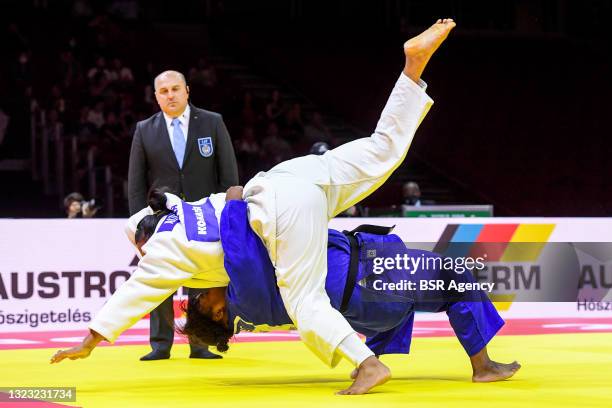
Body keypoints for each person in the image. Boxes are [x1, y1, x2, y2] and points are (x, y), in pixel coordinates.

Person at [51, 20, 457, 394]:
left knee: (304, 300)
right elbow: (230, 196)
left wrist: (90, 341)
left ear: (143, 243)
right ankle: (412, 70)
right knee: (380, 151)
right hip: (287, 177)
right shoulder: (184, 207)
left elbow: (133, 295)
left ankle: (367, 363)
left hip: (282, 210)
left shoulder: (161, 252)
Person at [180, 197, 520, 383]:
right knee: (456, 278)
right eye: (200, 298)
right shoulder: (246, 299)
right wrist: (235, 199)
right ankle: (483, 366)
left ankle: (369, 361)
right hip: (369, 283)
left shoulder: (249, 312)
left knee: (416, 296)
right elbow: (240, 249)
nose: (204, 290)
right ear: (217, 313)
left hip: (368, 298)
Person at [127, 69, 238, 361]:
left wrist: (230, 216)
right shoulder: (145, 129)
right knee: (161, 277)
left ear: (187, 90)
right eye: (163, 91)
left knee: (202, 278)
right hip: (162, 218)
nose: (170, 95)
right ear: (156, 97)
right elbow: (136, 182)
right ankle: (160, 344)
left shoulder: (212, 122)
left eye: (175, 89)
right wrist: (140, 224)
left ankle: (200, 342)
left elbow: (228, 175)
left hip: (206, 216)